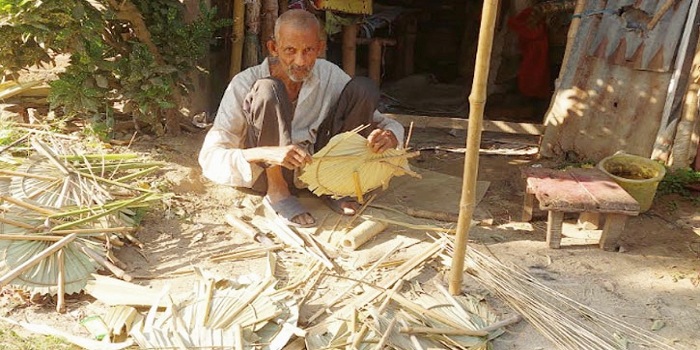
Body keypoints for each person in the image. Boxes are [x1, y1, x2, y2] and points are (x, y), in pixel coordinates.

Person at [199, 9, 404, 227]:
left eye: (308, 50)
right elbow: (210, 157)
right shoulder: (244, 83)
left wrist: (390, 137)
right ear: (273, 48)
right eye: (290, 50)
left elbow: (383, 122)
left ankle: (336, 186)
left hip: (319, 169)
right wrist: (268, 153)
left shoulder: (329, 75)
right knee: (268, 89)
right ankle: (278, 191)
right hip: (266, 174)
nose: (300, 61)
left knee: (364, 89)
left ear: (320, 48)